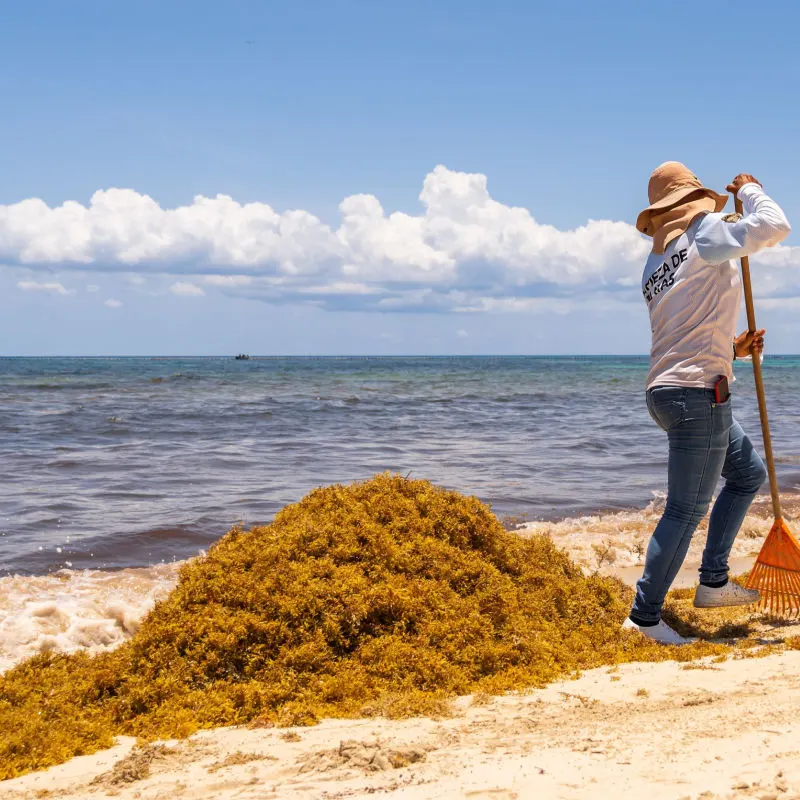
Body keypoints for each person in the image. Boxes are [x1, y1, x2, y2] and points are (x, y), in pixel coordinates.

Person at [625, 162, 791, 645]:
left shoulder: (657, 263)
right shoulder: (705, 234)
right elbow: (775, 226)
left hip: (669, 390)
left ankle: (713, 581)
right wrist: (752, 189)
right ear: (693, 202)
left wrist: (731, 349)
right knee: (685, 508)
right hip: (697, 394)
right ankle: (644, 618)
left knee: (746, 474)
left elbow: (685, 327)